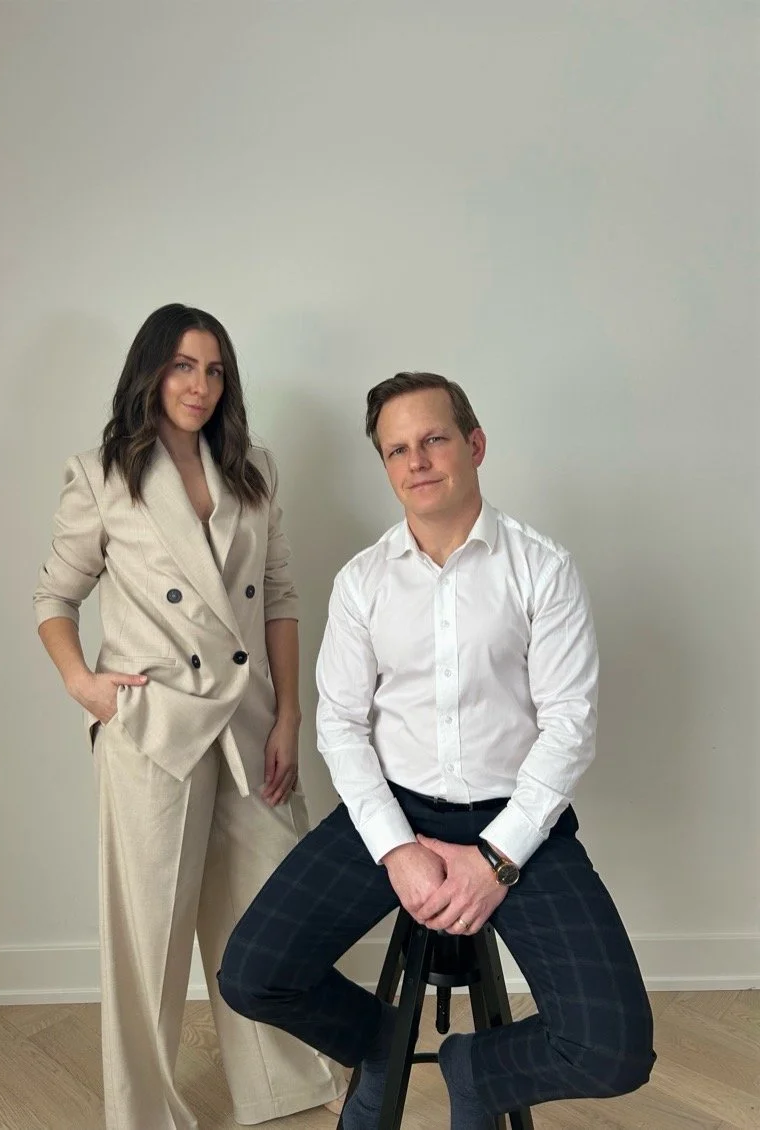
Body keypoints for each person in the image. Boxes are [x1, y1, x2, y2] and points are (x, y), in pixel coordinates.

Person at [218, 372, 656, 1129]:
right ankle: (381, 1042)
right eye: (396, 450)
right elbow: (342, 728)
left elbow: (569, 725)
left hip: (518, 818)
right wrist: (396, 850)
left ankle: (475, 1070)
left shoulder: (541, 569)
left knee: (614, 1048)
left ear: (474, 445)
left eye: (433, 439)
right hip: (393, 810)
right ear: (386, 468)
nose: (416, 461)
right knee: (253, 974)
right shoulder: (362, 583)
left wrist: (496, 860)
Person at [33, 304, 345, 1130]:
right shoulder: (100, 474)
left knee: (271, 912)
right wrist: (87, 688)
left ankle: (283, 1084)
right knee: (149, 936)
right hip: (152, 726)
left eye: (213, 369)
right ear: (150, 370)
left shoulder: (252, 468)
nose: (199, 385)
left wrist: (289, 717)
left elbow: (278, 595)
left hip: (247, 722)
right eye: (182, 366)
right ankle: (143, 1111)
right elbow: (54, 600)